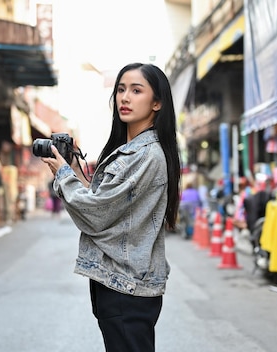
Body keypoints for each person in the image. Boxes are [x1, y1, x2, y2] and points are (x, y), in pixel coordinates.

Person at [41, 63, 180, 352]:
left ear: (157, 103)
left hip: (126, 288)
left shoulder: (145, 155)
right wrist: (72, 173)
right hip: (120, 285)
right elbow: (107, 203)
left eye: (136, 90)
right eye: (120, 89)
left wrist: (63, 175)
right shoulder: (132, 151)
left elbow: (95, 214)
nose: (124, 98)